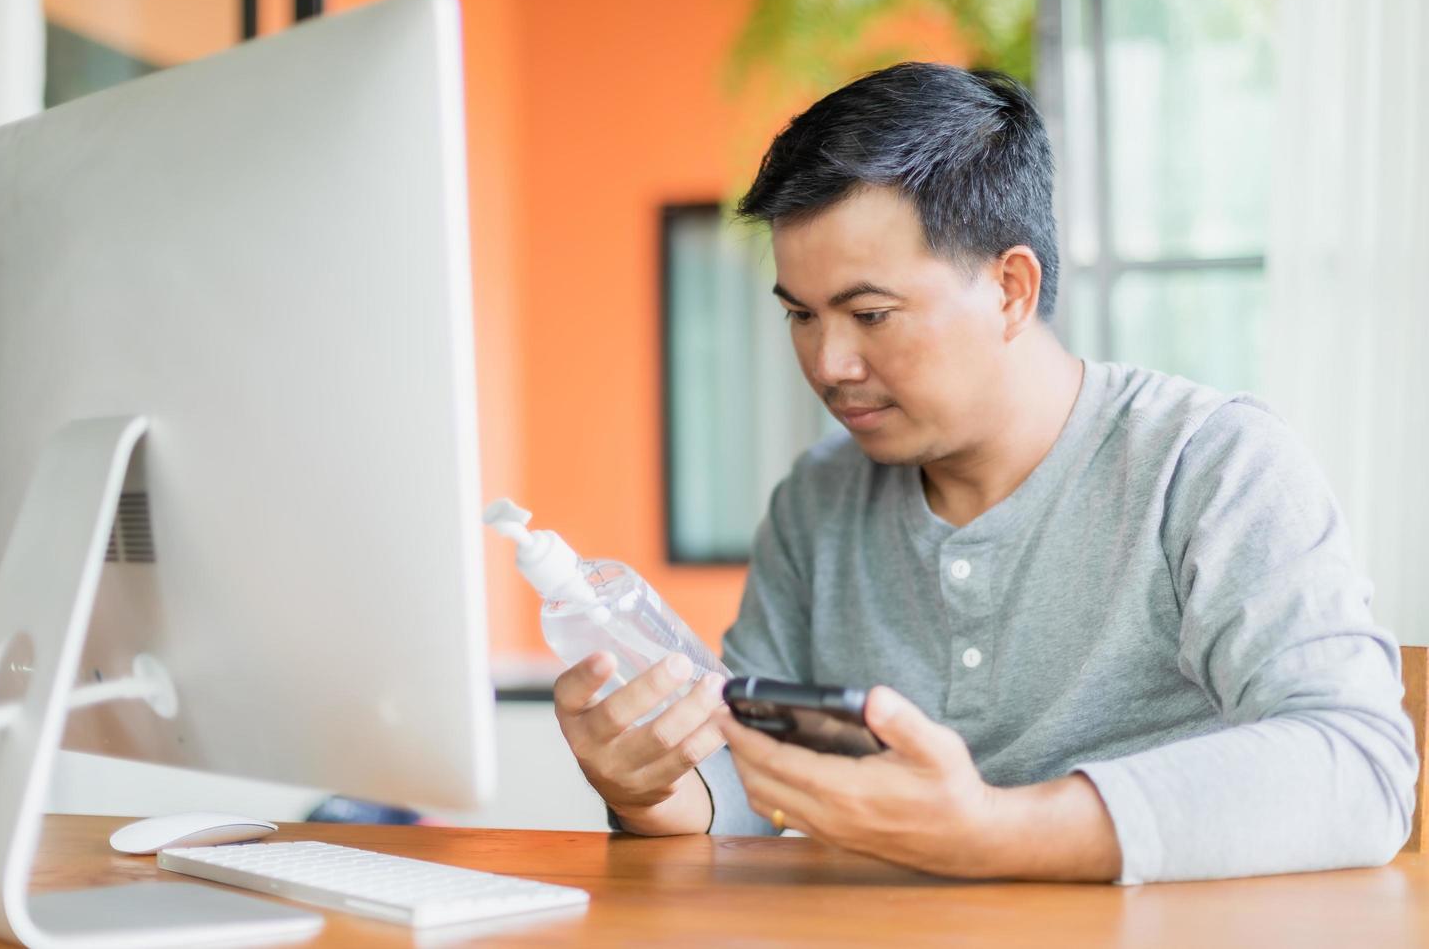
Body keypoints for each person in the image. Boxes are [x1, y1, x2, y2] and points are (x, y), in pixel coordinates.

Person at [551, 62, 1417, 884]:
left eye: (870, 313)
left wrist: (993, 831)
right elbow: (751, 787)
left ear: (1011, 289)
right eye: (802, 316)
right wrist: (653, 790)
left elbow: (1361, 766)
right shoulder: (817, 503)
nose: (829, 362)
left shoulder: (1210, 465)